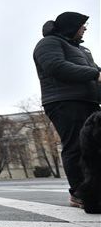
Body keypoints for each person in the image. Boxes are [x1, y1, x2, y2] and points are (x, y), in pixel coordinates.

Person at [33, 12, 101, 208]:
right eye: (82, 25)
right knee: (75, 146)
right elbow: (56, 66)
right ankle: (78, 192)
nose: (85, 28)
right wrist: (95, 73)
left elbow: (95, 76)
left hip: (89, 102)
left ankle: (93, 192)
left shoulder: (82, 49)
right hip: (63, 101)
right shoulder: (48, 43)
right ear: (71, 26)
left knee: (93, 149)